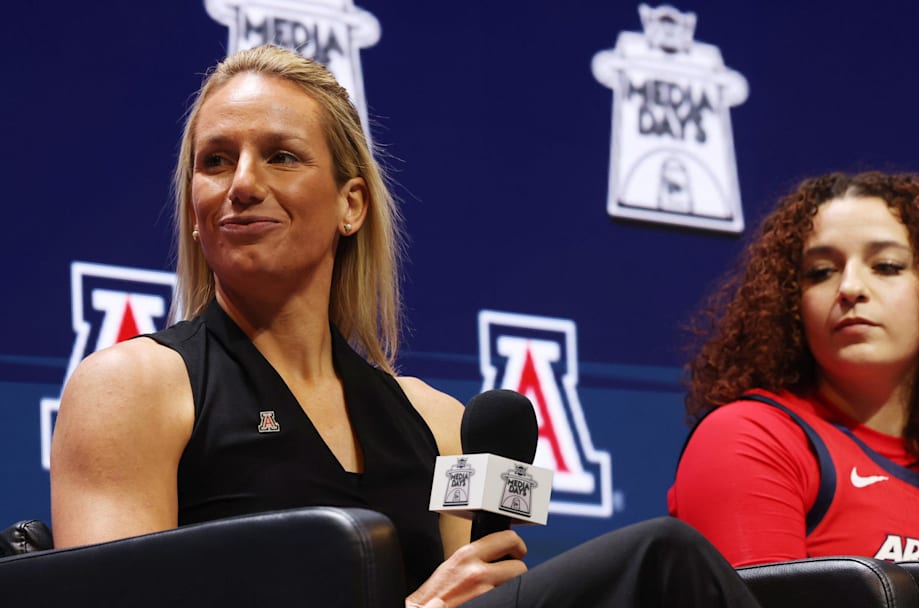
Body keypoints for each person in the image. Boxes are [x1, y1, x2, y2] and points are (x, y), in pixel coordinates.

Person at [49, 44, 762, 608]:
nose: (240, 183)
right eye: (215, 161)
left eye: (281, 155)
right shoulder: (133, 389)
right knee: (658, 558)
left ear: (351, 204)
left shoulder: (440, 422)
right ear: (195, 210)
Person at [669, 171, 919, 608]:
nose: (850, 288)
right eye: (819, 272)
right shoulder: (751, 437)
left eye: (887, 266)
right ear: (790, 305)